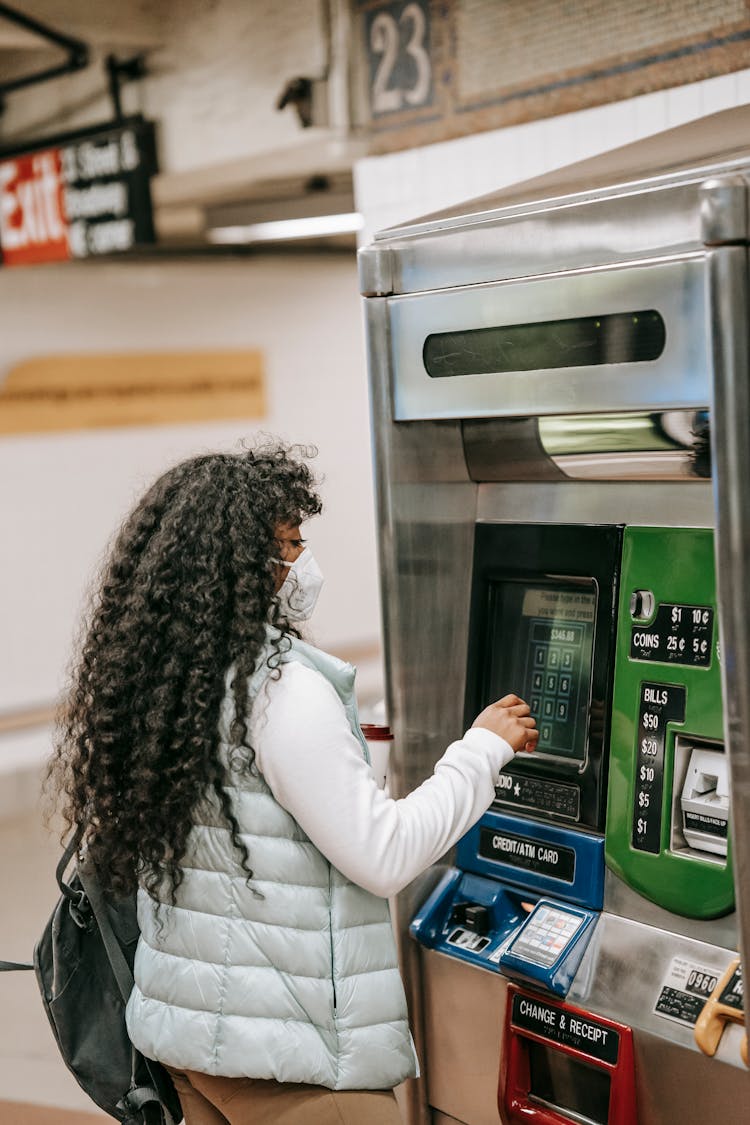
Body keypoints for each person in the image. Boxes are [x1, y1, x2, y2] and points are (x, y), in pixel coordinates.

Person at [48, 441, 538, 1125]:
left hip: (194, 1046)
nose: (304, 564)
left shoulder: (169, 680)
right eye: (292, 544)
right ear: (245, 566)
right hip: (291, 1063)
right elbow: (382, 853)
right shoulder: (281, 689)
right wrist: (482, 749)